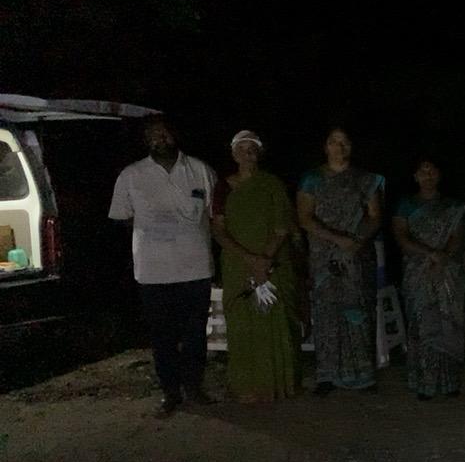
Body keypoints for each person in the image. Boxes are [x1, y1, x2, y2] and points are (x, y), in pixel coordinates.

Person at [109, 115, 218, 416]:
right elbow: (123, 217)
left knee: (195, 334)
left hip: (196, 268)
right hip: (153, 272)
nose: (161, 138)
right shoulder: (131, 175)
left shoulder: (200, 170)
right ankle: (170, 392)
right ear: (146, 141)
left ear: (175, 135)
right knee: (162, 337)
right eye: (154, 134)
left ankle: (194, 387)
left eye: (165, 133)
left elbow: (213, 215)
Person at [210, 130, 301, 403]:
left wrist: (265, 259)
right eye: (242, 149)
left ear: (259, 154)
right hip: (238, 265)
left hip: (273, 262)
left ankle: (279, 385)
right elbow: (219, 230)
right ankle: (246, 387)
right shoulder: (223, 187)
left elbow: (282, 226)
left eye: (252, 149)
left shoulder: (272, 184)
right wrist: (251, 259)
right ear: (233, 154)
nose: (247, 154)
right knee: (242, 323)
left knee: (276, 320)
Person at [296, 126, 384, 394]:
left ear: (351, 146)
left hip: (356, 255)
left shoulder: (365, 179)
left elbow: (374, 216)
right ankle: (327, 376)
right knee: (326, 312)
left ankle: (362, 374)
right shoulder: (312, 179)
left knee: (358, 309)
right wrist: (337, 239)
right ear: (326, 147)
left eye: (344, 142)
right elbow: (305, 218)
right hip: (324, 256)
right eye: (334, 142)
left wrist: (357, 240)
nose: (339, 147)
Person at [393, 156, 465, 400]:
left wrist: (443, 257)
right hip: (418, 271)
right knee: (422, 323)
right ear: (415, 177)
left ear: (439, 175)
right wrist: (429, 254)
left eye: (432, 171)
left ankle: (449, 381)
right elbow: (402, 237)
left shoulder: (452, 206)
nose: (428, 176)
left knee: (448, 323)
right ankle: (424, 382)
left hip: (446, 271)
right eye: (423, 172)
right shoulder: (405, 205)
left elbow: (457, 237)